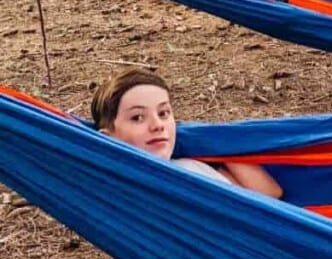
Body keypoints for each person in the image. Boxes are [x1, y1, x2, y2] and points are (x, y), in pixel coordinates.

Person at [91, 68, 283, 198]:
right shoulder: (122, 193)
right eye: (137, 118)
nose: (158, 125)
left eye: (164, 113)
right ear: (108, 138)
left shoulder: (193, 166)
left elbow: (270, 194)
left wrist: (217, 143)